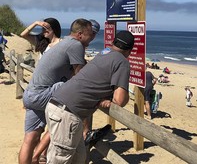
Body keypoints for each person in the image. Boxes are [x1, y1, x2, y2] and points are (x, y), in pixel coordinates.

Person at [45, 30, 135, 163]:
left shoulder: (104, 53)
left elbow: (96, 80)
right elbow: (120, 100)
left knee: (79, 157)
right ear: (130, 51)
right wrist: (114, 98)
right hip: (67, 114)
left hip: (57, 104)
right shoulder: (122, 62)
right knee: (60, 159)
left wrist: (105, 97)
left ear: (113, 42)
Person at [18, 18, 94, 164]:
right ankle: (86, 131)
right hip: (42, 94)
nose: (92, 37)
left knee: (29, 140)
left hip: (31, 94)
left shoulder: (64, 43)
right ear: (79, 34)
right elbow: (79, 78)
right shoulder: (75, 45)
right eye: (89, 34)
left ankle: (36, 156)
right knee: (67, 91)